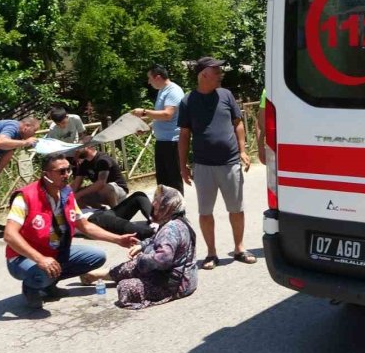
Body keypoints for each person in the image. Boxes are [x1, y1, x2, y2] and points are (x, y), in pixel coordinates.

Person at [3, 154, 138, 309]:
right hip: (22, 257)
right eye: (61, 171)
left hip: (53, 251)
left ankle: (49, 283)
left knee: (96, 257)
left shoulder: (67, 194)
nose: (67, 174)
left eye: (69, 170)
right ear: (46, 174)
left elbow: (85, 226)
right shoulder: (26, 196)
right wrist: (40, 259)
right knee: (44, 271)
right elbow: (9, 234)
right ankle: (32, 286)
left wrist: (118, 239)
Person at [178, 57, 255, 270]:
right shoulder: (187, 101)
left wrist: (242, 150)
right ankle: (211, 253)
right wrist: (182, 166)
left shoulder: (226, 95)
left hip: (230, 162)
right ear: (204, 75)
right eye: (217, 71)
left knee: (236, 208)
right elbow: (184, 135)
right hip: (203, 166)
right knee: (205, 212)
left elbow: (237, 123)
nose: (221, 74)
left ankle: (239, 248)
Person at [79, 185, 197, 309]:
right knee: (134, 265)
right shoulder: (178, 221)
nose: (153, 204)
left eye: (158, 201)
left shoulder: (170, 230)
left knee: (125, 287)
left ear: (167, 206)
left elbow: (162, 260)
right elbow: (154, 239)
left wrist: (141, 258)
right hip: (180, 276)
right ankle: (97, 275)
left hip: (175, 285)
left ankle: (110, 275)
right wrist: (141, 246)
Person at [132, 65, 185, 193]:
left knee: (173, 181)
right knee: (163, 181)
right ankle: (166, 210)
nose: (149, 82)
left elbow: (168, 114)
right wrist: (148, 127)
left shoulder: (173, 91)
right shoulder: (162, 90)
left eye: (150, 78)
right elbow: (160, 116)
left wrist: (144, 112)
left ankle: (178, 211)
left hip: (172, 141)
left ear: (158, 77)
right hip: (163, 141)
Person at [84, 191, 156, 241]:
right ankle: (155, 233)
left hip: (102, 212)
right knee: (122, 224)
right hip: (91, 220)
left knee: (138, 196)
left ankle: (156, 221)